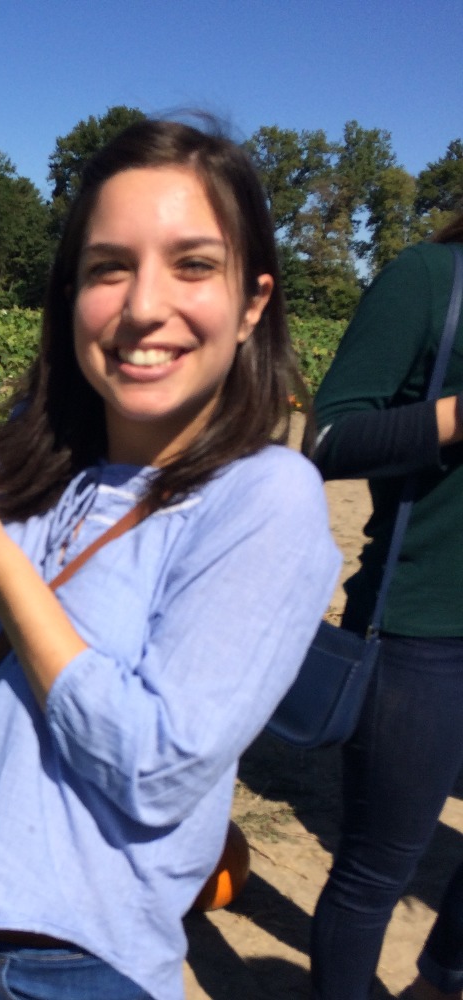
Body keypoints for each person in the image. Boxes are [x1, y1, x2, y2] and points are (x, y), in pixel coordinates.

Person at [0, 119, 340, 1000]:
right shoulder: (33, 453)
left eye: (192, 264)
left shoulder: (267, 498)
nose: (144, 305)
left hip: (57, 967)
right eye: (109, 268)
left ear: (253, 302)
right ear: (71, 295)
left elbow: (157, 770)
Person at [310, 211, 463, 1000]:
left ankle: (440, 982)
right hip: (422, 630)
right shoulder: (432, 280)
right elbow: (329, 439)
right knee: (376, 873)